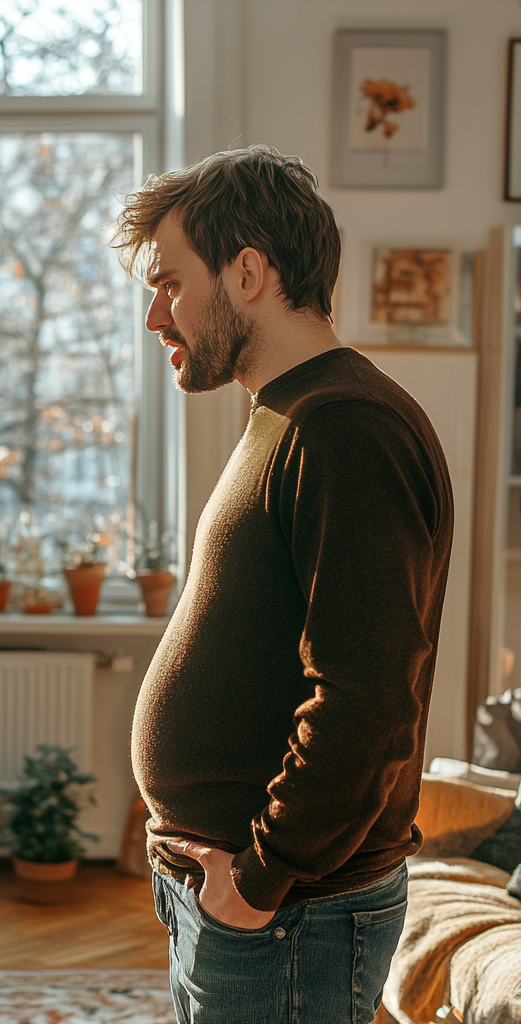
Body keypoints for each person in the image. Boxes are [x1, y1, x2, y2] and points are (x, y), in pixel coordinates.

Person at [113, 146, 452, 1024]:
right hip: (247, 903)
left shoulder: (348, 429)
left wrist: (262, 877)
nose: (156, 314)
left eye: (170, 283)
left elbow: (367, 698)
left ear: (250, 271)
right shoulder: (290, 412)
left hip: (289, 915)